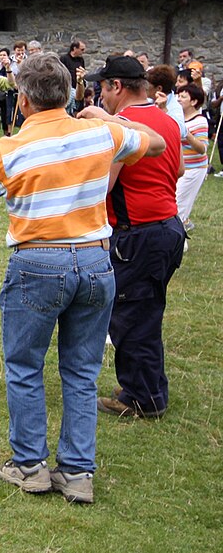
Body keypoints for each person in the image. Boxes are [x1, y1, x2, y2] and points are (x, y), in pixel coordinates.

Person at [0, 52, 166, 504]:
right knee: (81, 371)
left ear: (23, 101)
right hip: (96, 262)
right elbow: (153, 143)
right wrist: (103, 116)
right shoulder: (100, 133)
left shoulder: (11, 149)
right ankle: (77, 473)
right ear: (71, 93)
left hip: (37, 262)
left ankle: (29, 465)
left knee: (24, 366)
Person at [83, 56, 185, 420]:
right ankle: (146, 386)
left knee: (131, 317)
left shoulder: (121, 128)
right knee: (146, 312)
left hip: (137, 234)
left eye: (102, 88)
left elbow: (104, 186)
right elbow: (180, 168)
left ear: (117, 87)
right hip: (169, 227)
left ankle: (142, 398)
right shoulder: (168, 122)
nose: (100, 95)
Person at [173, 83, 208, 230]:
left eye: (183, 96)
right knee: (174, 203)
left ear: (193, 102)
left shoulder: (200, 121)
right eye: (178, 95)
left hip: (194, 170)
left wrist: (186, 133)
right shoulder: (177, 117)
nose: (178, 99)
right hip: (179, 169)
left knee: (178, 205)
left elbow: (202, 148)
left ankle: (180, 238)